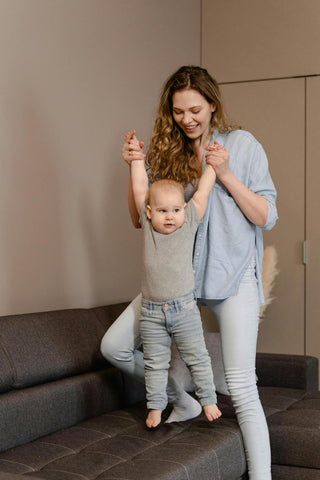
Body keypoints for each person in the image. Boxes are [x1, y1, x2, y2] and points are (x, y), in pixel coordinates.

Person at [101, 66, 278, 480]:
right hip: (177, 281)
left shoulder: (242, 145)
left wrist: (227, 174)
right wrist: (135, 167)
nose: (187, 120)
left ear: (212, 105)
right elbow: (138, 218)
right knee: (115, 347)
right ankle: (183, 399)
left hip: (232, 275)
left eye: (195, 110)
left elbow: (267, 216)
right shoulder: (169, 151)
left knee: (242, 385)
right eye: (178, 112)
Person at [129, 140, 221, 428]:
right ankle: (156, 407)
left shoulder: (190, 221)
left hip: (184, 309)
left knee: (197, 356)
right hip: (152, 312)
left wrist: (213, 166)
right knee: (155, 364)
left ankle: (208, 400)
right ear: (148, 212)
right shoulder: (148, 228)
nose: (170, 216)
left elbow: (203, 190)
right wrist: (136, 160)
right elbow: (140, 187)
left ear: (184, 209)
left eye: (176, 210)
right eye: (162, 211)